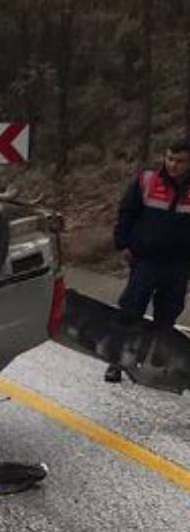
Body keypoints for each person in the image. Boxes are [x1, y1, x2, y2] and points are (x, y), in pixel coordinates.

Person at [109, 137, 190, 383]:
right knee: (131, 309)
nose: (173, 165)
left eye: (180, 161)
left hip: (179, 264)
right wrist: (124, 244)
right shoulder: (147, 181)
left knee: (167, 315)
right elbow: (127, 212)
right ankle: (117, 362)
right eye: (170, 158)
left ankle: (153, 364)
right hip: (145, 259)